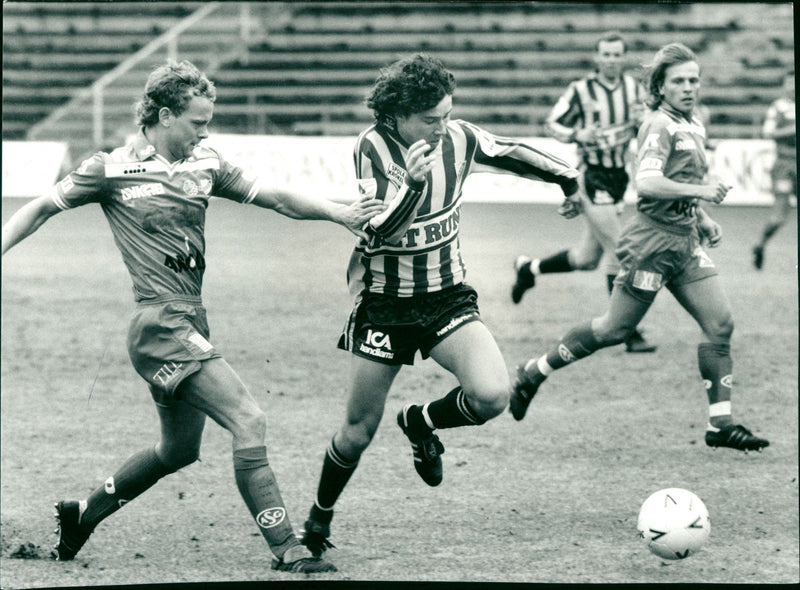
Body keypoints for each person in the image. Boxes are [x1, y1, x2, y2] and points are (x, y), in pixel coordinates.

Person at [1, 60, 386, 573]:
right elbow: (40, 207)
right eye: (198, 121)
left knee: (177, 450)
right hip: (160, 326)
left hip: (190, 322)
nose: (206, 131)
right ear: (164, 115)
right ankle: (288, 549)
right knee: (249, 419)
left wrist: (337, 212)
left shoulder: (205, 163)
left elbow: (274, 197)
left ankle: (82, 515)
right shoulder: (110, 169)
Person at [297, 53, 582, 557]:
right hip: (384, 304)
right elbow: (382, 230)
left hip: (446, 296)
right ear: (397, 116)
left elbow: (512, 152)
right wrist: (413, 184)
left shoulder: (459, 138)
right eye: (431, 119)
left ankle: (421, 422)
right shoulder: (372, 146)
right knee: (358, 430)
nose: (442, 126)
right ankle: (318, 521)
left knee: (493, 395)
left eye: (447, 114)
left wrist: (567, 178)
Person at [509, 43, 769, 453]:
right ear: (661, 87)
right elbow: (647, 184)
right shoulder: (658, 126)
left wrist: (701, 216)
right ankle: (533, 371)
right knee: (614, 329)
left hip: (684, 241)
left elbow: (678, 181)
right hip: (651, 244)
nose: (688, 87)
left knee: (720, 324)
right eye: (679, 81)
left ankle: (720, 424)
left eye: (693, 79)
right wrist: (702, 191)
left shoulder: (694, 124)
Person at [511, 31, 657, 354]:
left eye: (617, 54)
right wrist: (578, 133)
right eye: (605, 54)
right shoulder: (580, 90)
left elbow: (647, 126)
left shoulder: (636, 90)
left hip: (619, 177)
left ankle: (528, 268)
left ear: (624, 57)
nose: (611, 60)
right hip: (592, 178)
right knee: (621, 251)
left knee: (587, 259)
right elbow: (551, 124)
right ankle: (627, 331)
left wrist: (641, 121)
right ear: (597, 57)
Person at [753, 69, 796, 269]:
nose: (792, 86)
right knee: (780, 216)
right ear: (784, 85)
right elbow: (768, 132)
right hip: (785, 165)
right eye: (789, 83)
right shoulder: (778, 107)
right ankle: (760, 245)